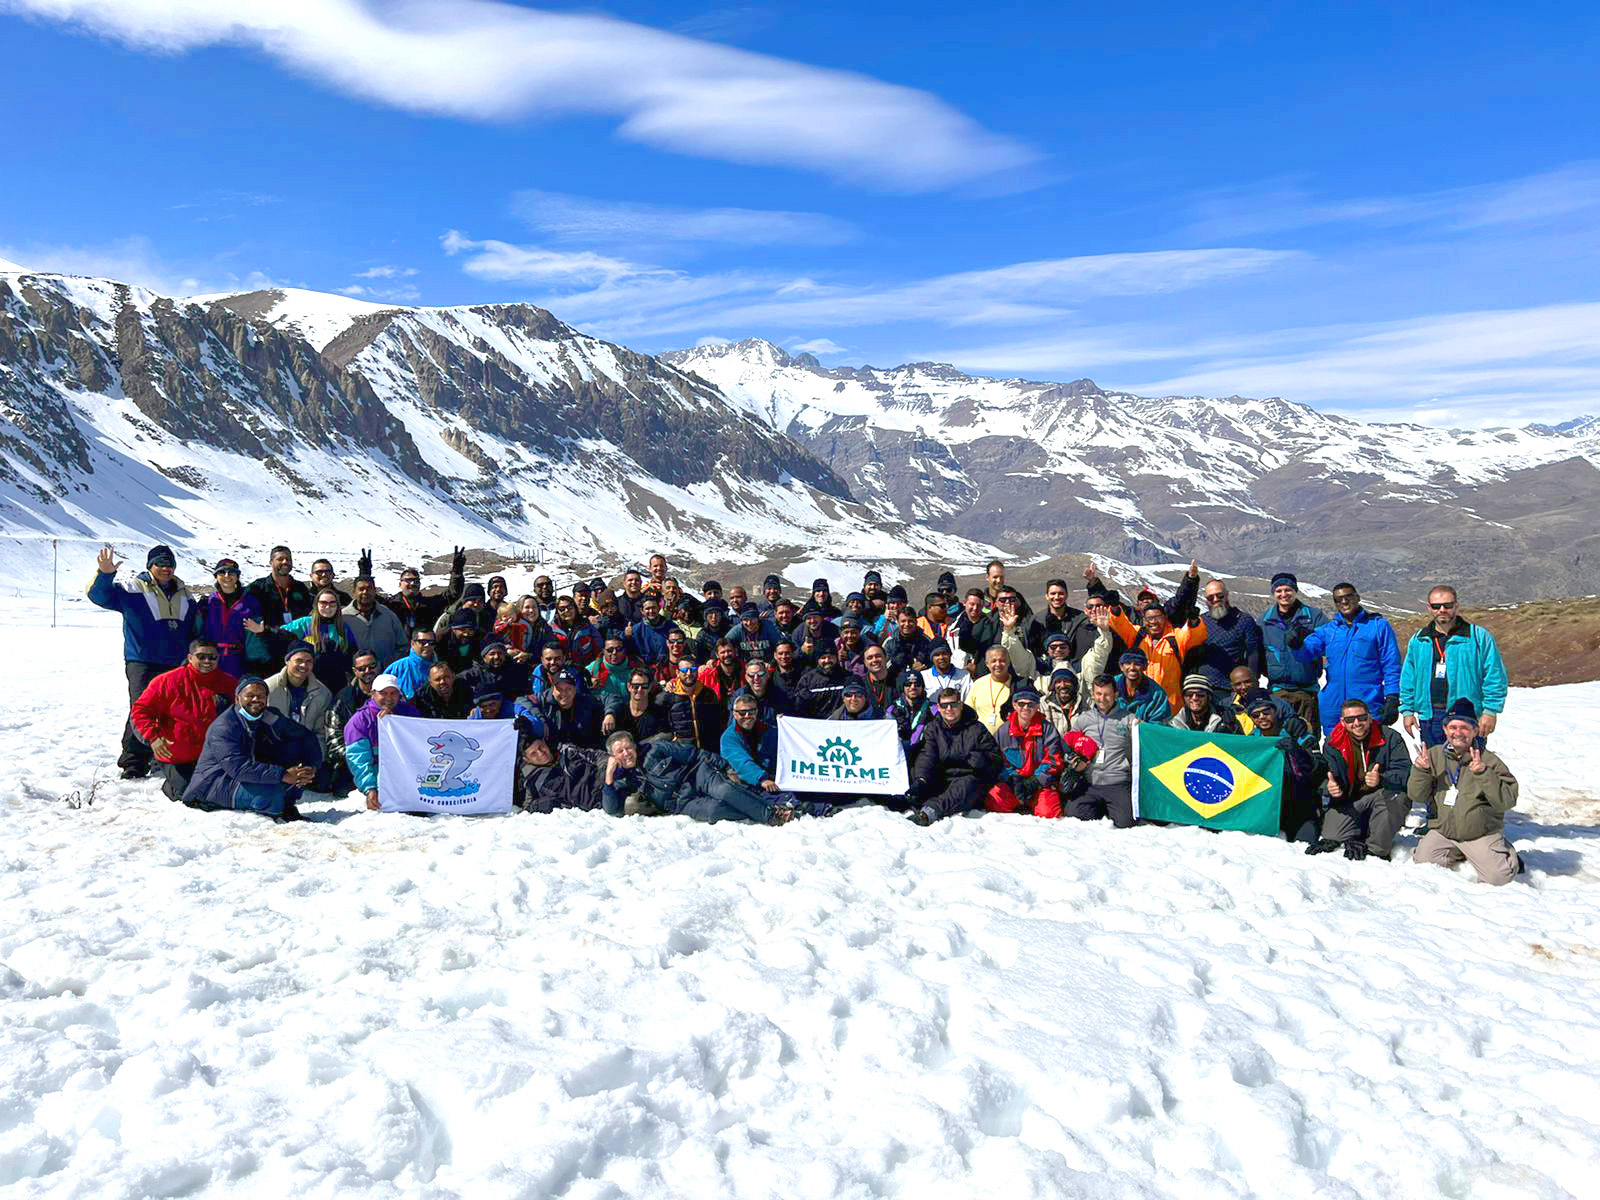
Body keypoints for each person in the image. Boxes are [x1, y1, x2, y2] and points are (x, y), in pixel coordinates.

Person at [90, 544, 196, 778]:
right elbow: (99, 596)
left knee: (170, 711)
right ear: (150, 566)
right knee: (142, 709)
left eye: (170, 564)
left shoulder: (184, 593)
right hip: (142, 660)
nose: (166, 568)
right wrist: (105, 575)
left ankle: (163, 756)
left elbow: (194, 627)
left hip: (175, 663)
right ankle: (134, 761)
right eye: (160, 564)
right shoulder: (132, 589)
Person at [1408, 699, 1520, 884]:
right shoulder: (1433, 755)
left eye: (1464, 728)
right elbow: (1416, 795)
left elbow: (1507, 800)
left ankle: (1503, 851)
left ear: (1475, 731)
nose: (1457, 733)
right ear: (1445, 730)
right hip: (1444, 831)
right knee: (1422, 864)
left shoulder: (1489, 761)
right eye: (1452, 727)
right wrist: (1422, 770)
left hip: (1480, 833)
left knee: (1498, 877)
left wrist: (1483, 773)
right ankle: (1460, 852)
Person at [182, 676, 321, 820]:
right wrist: (283, 775)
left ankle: (285, 805)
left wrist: (310, 767)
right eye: (250, 696)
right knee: (272, 792)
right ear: (237, 699)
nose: (256, 699)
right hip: (216, 783)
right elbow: (237, 768)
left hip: (247, 774)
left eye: (261, 696)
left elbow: (305, 736)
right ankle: (272, 816)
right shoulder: (225, 726)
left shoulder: (269, 715)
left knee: (295, 749)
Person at [601, 731, 796, 825]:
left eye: (629, 747)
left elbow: (693, 753)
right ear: (613, 756)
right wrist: (609, 776)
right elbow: (611, 809)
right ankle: (758, 807)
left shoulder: (656, 748)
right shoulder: (624, 779)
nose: (626, 753)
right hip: (681, 803)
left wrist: (725, 766)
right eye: (620, 751)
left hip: (696, 775)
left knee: (725, 790)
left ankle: (772, 815)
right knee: (713, 812)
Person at [1400, 585, 1507, 747]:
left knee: (1470, 767)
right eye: (1436, 606)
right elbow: (1408, 677)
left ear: (1456, 606)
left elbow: (1494, 676)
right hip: (1430, 716)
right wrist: (1407, 710)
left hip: (1468, 715)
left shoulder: (1478, 637)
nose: (1442, 610)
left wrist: (1490, 711)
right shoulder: (1419, 640)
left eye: (1448, 605)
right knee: (1435, 766)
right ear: (1429, 608)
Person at [130, 639, 238, 801]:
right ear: (190, 658)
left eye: (212, 657)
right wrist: (153, 738)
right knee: (191, 795)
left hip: (215, 756)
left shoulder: (229, 683)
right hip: (179, 757)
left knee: (225, 793)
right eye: (201, 656)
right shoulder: (166, 681)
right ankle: (172, 784)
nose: (207, 661)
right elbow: (140, 712)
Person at [1291, 582, 1402, 739]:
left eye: (1348, 597)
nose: (1344, 602)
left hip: (1366, 703)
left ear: (1357, 597)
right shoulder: (1329, 631)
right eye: (1338, 600)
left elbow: (1391, 664)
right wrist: (1295, 644)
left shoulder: (1378, 627)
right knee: (1336, 753)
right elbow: (1306, 654)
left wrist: (1392, 697)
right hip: (1333, 705)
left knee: (1370, 752)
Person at [1305, 697, 1408, 859]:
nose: (1357, 723)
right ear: (1343, 722)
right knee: (1332, 836)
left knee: (1397, 798)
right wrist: (1331, 789)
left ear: (1369, 717)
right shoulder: (1333, 743)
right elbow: (1326, 776)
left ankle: (1375, 848)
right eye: (1350, 720)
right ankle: (1362, 830)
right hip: (1349, 800)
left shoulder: (1389, 737)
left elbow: (1404, 771)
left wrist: (1381, 779)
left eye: (1362, 718)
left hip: (1381, 797)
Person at [906, 687, 1000, 825]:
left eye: (953, 704)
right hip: (943, 776)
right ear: (938, 707)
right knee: (918, 774)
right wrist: (921, 779)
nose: (949, 708)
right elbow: (927, 755)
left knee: (968, 785)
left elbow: (995, 758)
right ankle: (912, 801)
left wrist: (981, 760)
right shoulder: (933, 727)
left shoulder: (977, 728)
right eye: (944, 705)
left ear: (961, 705)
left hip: (966, 776)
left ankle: (930, 811)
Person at [1105, 589, 1208, 712]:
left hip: (1170, 707)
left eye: (1157, 617)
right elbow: (1121, 624)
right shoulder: (1138, 635)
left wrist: (1193, 621)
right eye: (1149, 618)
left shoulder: (1176, 638)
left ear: (1165, 618)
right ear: (1144, 620)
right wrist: (1115, 607)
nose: (1153, 622)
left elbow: (1195, 635)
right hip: (1141, 707)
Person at [1260, 572, 1328, 735]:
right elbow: (1258, 651)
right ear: (1273, 593)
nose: (1284, 594)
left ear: (1295, 591)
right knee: (1279, 739)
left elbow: (1327, 643)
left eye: (1288, 590)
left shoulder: (1313, 617)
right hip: (1278, 691)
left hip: (1307, 691)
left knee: (1307, 738)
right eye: (1279, 590)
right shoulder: (1265, 621)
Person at [986, 687, 1066, 818]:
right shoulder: (1003, 732)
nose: (1026, 708)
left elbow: (1054, 760)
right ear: (1014, 705)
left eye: (1031, 704)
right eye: (1021, 704)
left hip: (1039, 784)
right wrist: (1012, 779)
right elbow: (997, 760)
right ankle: (1018, 804)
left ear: (1037, 707)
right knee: (994, 801)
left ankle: (1031, 804)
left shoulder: (1048, 730)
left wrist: (1036, 780)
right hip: (1013, 783)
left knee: (1049, 812)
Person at [344, 673, 421, 810]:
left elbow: (419, 745)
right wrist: (370, 789)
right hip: (380, 777)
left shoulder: (410, 713)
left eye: (393, 693)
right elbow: (359, 760)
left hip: (410, 773)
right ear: (373, 694)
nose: (389, 698)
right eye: (383, 693)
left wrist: (397, 723)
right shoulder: (359, 721)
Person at [1068, 676, 1136, 827]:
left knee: (1127, 822)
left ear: (1116, 695)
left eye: (1107, 694)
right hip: (1091, 782)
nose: (1102, 698)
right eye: (1098, 694)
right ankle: (1102, 807)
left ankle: (1112, 808)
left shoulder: (1128, 719)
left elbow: (1146, 740)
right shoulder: (1083, 719)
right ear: (1092, 694)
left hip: (1118, 783)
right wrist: (1074, 761)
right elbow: (1070, 745)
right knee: (1073, 814)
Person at [267, 643, 334, 787]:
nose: (303, 665)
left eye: (309, 661)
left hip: (304, 750)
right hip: (274, 751)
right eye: (299, 661)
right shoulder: (268, 688)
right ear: (287, 661)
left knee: (324, 783)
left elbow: (321, 733)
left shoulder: (322, 694)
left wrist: (314, 763)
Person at [191, 558, 267, 678]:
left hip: (239, 661)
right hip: (211, 660)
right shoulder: (206, 603)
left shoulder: (251, 603)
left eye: (231, 572)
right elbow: (197, 632)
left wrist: (256, 663)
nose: (227, 576)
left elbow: (254, 636)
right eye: (222, 572)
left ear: (237, 577)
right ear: (216, 576)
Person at [1196, 579, 1264, 700]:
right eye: (1210, 598)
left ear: (1227, 595)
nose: (1215, 600)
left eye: (1219, 595)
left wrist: (1252, 683)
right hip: (1204, 687)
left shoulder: (1243, 620)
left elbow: (1253, 653)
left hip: (1232, 688)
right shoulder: (1201, 621)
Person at [245, 546, 314, 665]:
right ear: (271, 562)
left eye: (288, 559)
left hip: (295, 652)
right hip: (266, 654)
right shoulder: (257, 588)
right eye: (280, 559)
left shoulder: (300, 588)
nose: (285, 562)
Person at [281, 588, 360, 693]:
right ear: (316, 605)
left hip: (336, 682)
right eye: (323, 603)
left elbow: (352, 654)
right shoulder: (304, 624)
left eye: (332, 604)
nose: (327, 607)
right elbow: (280, 634)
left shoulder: (343, 628)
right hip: (308, 682)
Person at [325, 651, 381, 793]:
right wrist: (364, 757)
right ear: (354, 672)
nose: (368, 671)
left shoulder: (394, 693)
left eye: (372, 666)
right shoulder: (342, 700)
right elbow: (333, 743)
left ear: (379, 666)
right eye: (362, 669)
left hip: (390, 762)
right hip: (353, 765)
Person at [381, 549, 466, 636]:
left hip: (424, 647)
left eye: (416, 581)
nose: (413, 584)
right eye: (408, 580)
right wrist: (366, 575)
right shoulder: (390, 605)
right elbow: (370, 598)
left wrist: (457, 571)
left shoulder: (429, 605)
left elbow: (452, 594)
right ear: (400, 584)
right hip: (396, 648)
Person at [518, 737, 606, 813]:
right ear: (527, 760)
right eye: (533, 753)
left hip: (607, 793)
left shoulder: (568, 752)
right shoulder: (533, 781)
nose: (541, 753)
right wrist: (546, 804)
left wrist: (605, 772)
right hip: (588, 815)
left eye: (541, 747)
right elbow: (527, 808)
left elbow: (598, 756)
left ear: (545, 742)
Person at [342, 575, 408, 668]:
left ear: (375, 591)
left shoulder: (388, 615)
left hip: (385, 674)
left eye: (369, 589)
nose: (365, 592)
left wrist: (390, 665)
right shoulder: (343, 617)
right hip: (355, 676)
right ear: (354, 592)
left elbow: (403, 646)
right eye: (361, 589)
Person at [663, 656, 726, 748]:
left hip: (708, 751)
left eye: (693, 669)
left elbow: (719, 721)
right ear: (677, 672)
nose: (689, 673)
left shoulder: (708, 694)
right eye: (684, 670)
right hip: (683, 753)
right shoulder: (669, 697)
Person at [1031, 578, 1098, 666]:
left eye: (1061, 593)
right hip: (1045, 669)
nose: (1057, 597)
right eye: (1053, 593)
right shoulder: (1037, 620)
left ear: (1066, 595)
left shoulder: (1081, 618)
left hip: (1076, 668)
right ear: (1047, 596)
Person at [890, 669, 934, 773]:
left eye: (917, 684)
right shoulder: (892, 710)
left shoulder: (934, 709)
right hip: (900, 760)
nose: (913, 687)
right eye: (908, 684)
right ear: (903, 687)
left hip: (926, 759)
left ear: (922, 687)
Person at [608, 669, 671, 742]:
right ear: (629, 686)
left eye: (644, 686)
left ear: (650, 687)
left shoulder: (659, 713)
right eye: (636, 686)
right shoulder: (619, 711)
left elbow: (666, 736)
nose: (639, 690)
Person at [1170, 675, 1244, 733]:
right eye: (1189, 695)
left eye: (1200, 695)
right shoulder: (1173, 724)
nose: (1194, 698)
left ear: (1209, 697)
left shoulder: (1227, 719)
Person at [968, 645, 1015, 734]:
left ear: (1008, 662)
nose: (998, 664)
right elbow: (968, 712)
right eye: (993, 661)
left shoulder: (1018, 684)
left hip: (1010, 741)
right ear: (987, 664)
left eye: (1002, 661)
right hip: (982, 741)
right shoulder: (978, 684)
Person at [1115, 650, 1171, 723]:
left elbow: (1160, 726)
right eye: (1128, 663)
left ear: (1145, 667)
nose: (1132, 668)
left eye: (1137, 664)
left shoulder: (1157, 694)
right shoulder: (1111, 685)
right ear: (1121, 667)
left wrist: (1143, 726)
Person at [796, 646, 850, 717]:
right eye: (823, 658)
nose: (827, 660)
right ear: (818, 659)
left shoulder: (847, 677)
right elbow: (799, 706)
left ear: (836, 658)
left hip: (841, 722)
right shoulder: (807, 680)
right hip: (815, 723)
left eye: (830, 657)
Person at [627, 595, 680, 667]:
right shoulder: (636, 630)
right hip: (644, 669)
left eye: (653, 608)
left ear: (658, 608)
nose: (651, 611)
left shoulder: (671, 626)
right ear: (642, 611)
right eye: (647, 609)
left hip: (667, 668)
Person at [384, 628, 438, 697]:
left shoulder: (441, 670)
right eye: (423, 642)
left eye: (431, 643)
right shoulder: (396, 668)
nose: (427, 645)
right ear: (412, 644)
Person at [921, 639, 971, 703]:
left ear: (950, 655)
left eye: (944, 653)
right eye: (937, 655)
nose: (941, 657)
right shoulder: (924, 676)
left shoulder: (964, 676)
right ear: (932, 658)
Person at [1042, 667, 1079, 736]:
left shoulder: (1084, 702)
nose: (1063, 685)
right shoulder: (1043, 703)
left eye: (1066, 681)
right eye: (1058, 682)